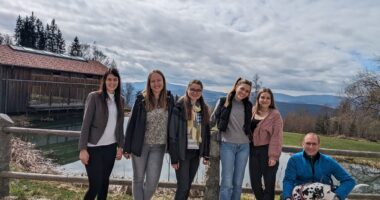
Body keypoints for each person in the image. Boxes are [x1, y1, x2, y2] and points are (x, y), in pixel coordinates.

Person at [123, 69, 174, 200]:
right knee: (138, 179)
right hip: (141, 145)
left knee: (152, 183)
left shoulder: (169, 100)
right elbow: (132, 123)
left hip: (159, 147)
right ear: (149, 83)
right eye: (153, 81)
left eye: (159, 80)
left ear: (163, 82)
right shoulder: (141, 99)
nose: (156, 83)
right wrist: (127, 147)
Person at [78, 67, 125, 200]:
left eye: (115, 79)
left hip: (110, 148)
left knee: (104, 185)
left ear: (118, 82)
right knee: (95, 186)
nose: (112, 82)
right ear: (104, 81)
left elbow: (120, 127)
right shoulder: (94, 97)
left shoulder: (120, 100)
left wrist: (120, 146)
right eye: (109, 79)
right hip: (93, 148)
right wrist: (82, 149)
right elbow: (85, 124)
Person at [210, 77, 253, 200]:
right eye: (242, 89)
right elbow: (212, 120)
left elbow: (250, 124)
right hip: (227, 145)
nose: (244, 92)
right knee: (227, 182)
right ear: (236, 87)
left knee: (238, 182)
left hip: (244, 146)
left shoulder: (249, 105)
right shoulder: (224, 101)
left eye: (247, 91)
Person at [169, 80, 211, 200]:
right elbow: (172, 134)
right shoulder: (179, 107)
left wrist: (206, 154)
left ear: (201, 92)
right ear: (187, 89)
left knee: (187, 186)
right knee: (182, 186)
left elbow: (206, 133)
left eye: (198, 90)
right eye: (192, 89)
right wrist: (174, 157)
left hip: (196, 153)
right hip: (182, 153)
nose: (195, 92)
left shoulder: (203, 108)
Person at [283, 133, 356, 200]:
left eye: (314, 144)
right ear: (303, 144)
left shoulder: (328, 161)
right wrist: (287, 197)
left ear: (319, 145)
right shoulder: (294, 159)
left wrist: (337, 196)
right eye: (308, 143)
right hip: (301, 196)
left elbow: (349, 181)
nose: (311, 147)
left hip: (323, 196)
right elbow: (288, 180)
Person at [249, 88, 283, 200]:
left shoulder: (275, 115)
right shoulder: (252, 111)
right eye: (262, 97)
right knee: (255, 183)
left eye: (268, 98)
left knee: (269, 185)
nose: (265, 100)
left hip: (267, 151)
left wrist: (273, 156)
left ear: (271, 100)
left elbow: (277, 136)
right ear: (258, 99)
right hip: (253, 151)